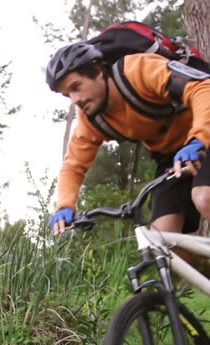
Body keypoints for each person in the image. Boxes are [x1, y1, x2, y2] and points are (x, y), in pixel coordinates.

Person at [46, 42, 210, 243]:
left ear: (98, 71)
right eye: (67, 95)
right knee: (163, 244)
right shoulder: (91, 121)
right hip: (172, 158)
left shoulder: (136, 70)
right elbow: (72, 167)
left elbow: (202, 88)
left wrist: (198, 138)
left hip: (203, 133)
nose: (75, 100)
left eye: (76, 87)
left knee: (204, 197)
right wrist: (64, 205)